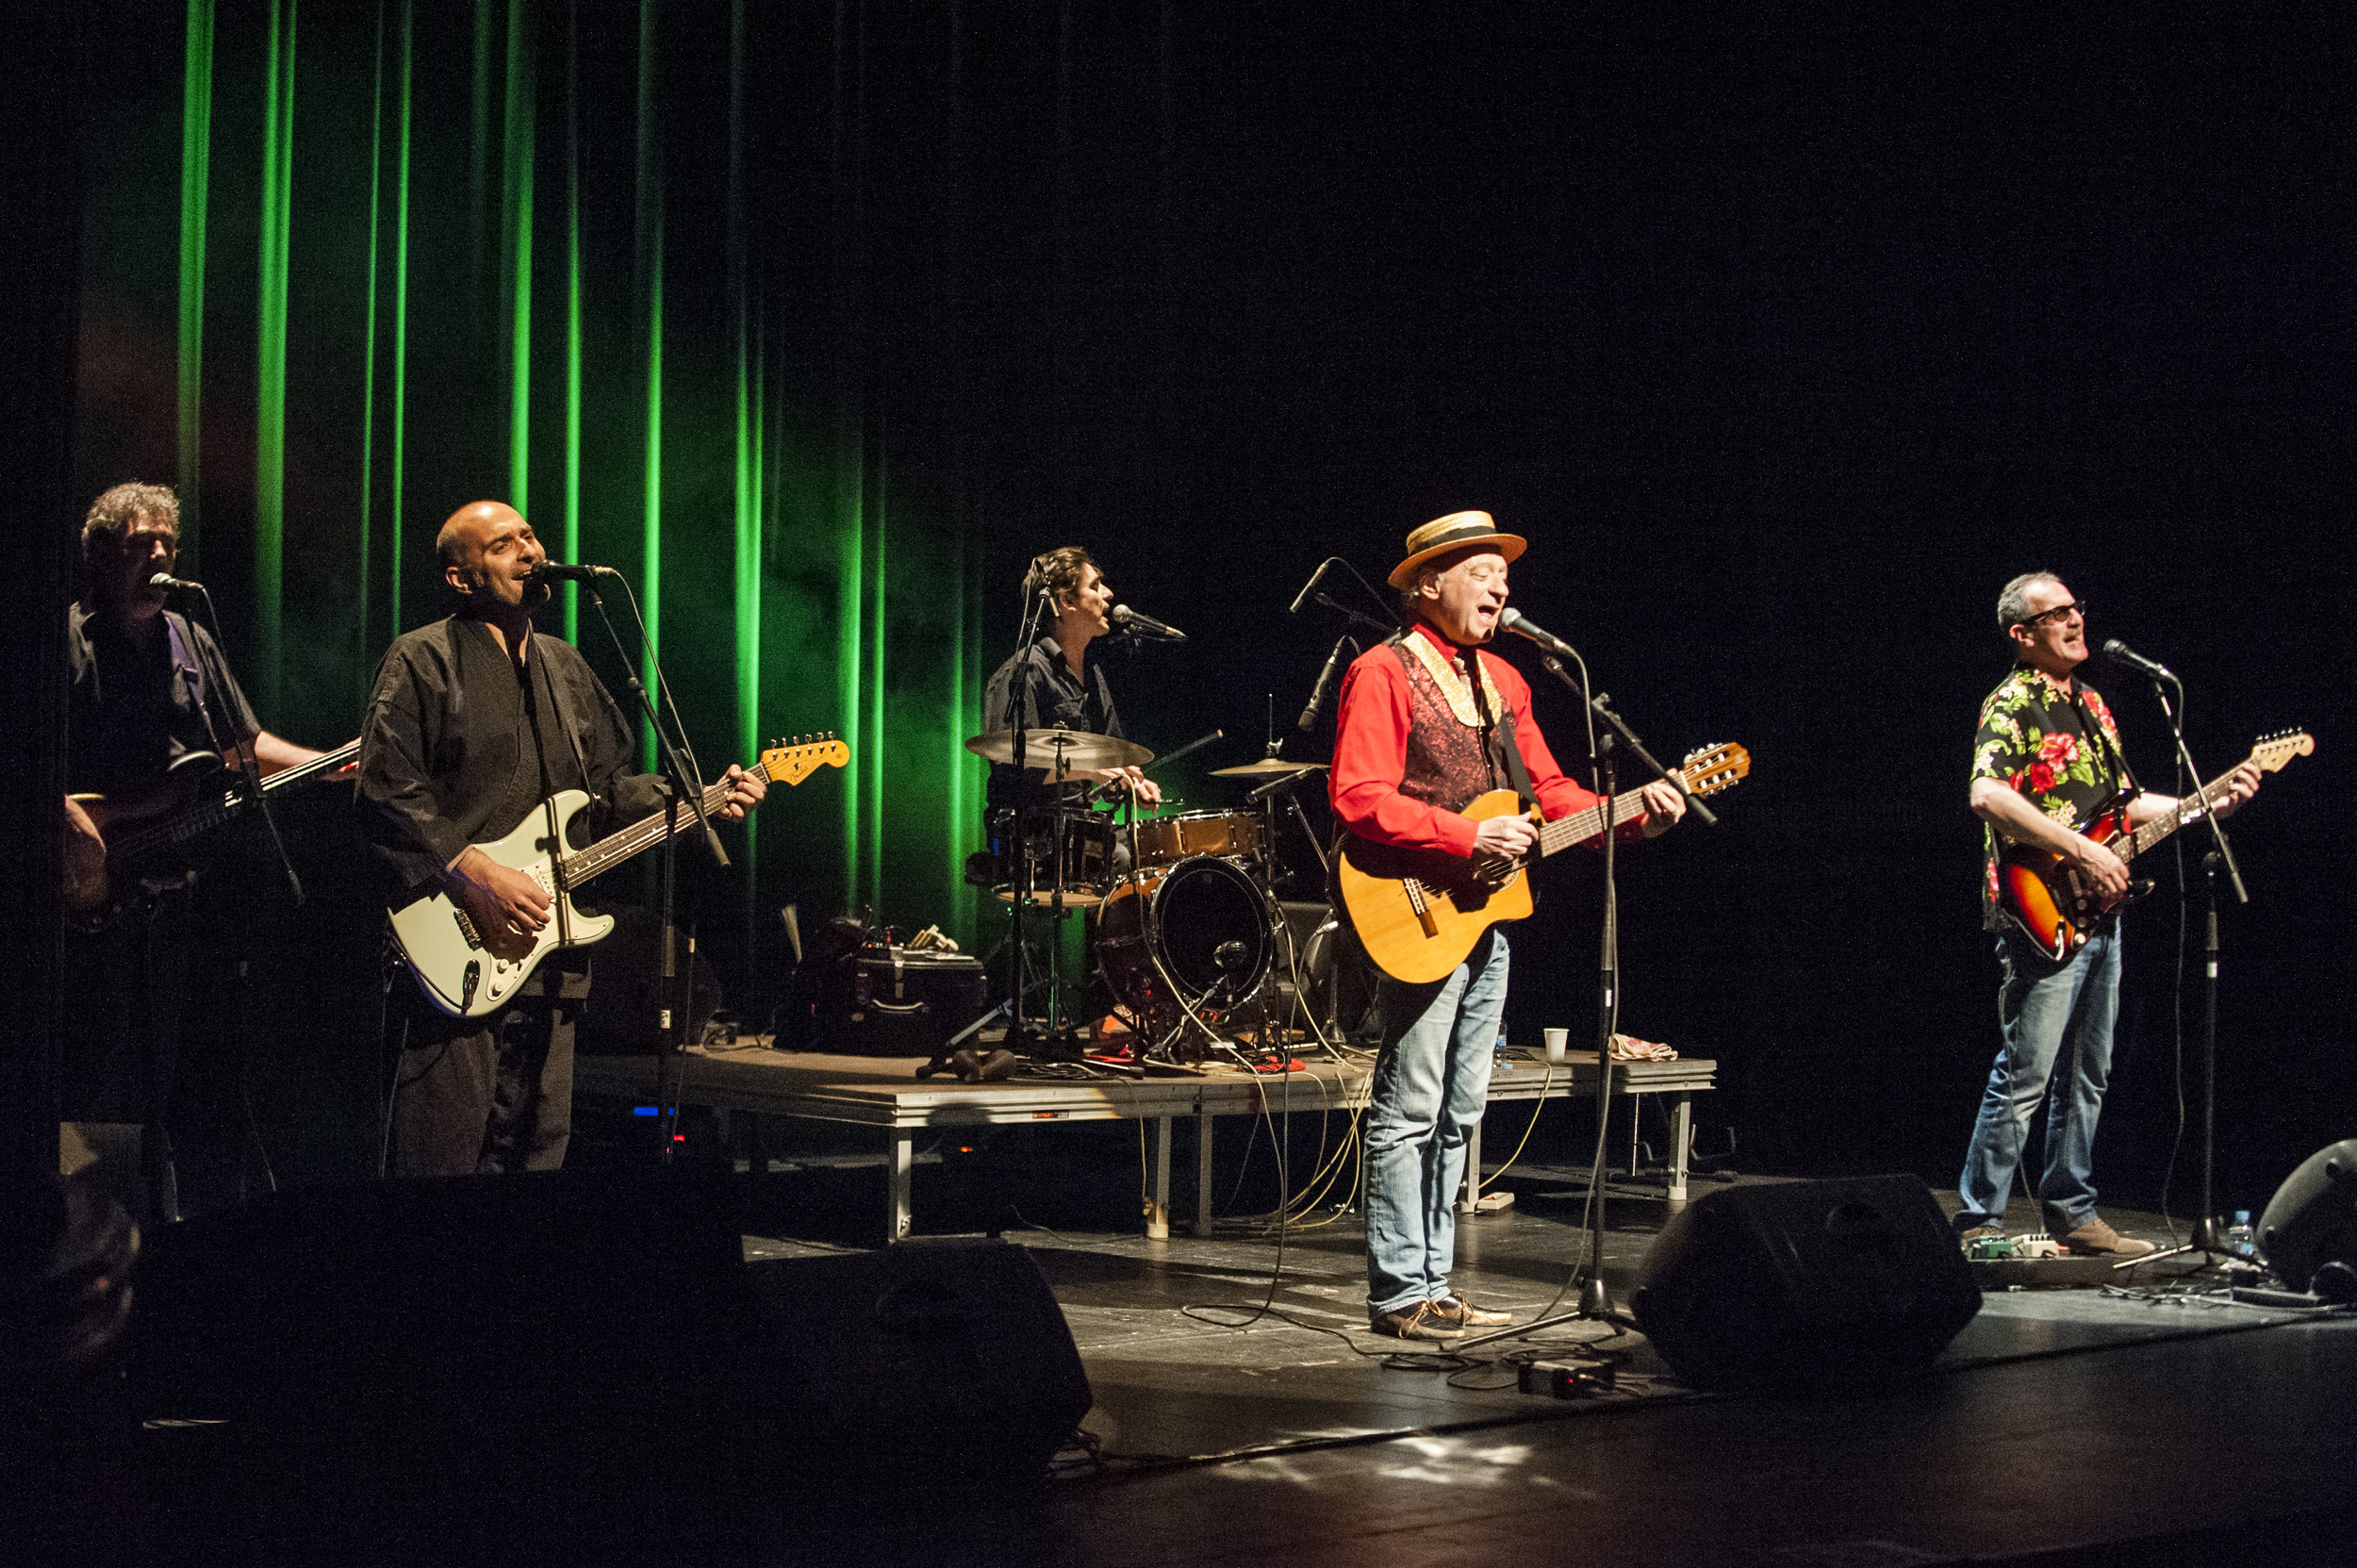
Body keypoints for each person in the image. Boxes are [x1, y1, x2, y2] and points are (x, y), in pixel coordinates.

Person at [1329, 511, 1687, 1341]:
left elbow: (1552, 792)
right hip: (1412, 905)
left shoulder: (1504, 680)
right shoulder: (1383, 671)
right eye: (1481, 570)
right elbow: (1358, 795)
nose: (1502, 585)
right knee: (1409, 1103)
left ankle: (1435, 1282)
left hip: (1484, 919)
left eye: (1503, 572)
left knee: (1461, 1108)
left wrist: (1633, 815)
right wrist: (1466, 834)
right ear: (1428, 582)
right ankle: (1396, 1292)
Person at [356, 501, 766, 1177]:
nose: (528, 549)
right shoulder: (423, 658)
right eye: (502, 544)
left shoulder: (564, 666)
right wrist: (476, 873)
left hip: (552, 961)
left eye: (529, 535)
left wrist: (700, 797)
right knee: (441, 1168)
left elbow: (606, 793)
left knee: (539, 1159)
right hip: (453, 951)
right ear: (462, 578)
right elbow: (383, 787)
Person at [1956, 572, 2259, 1256]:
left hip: (2102, 912)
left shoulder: (2093, 701)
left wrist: (2209, 800)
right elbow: (1985, 795)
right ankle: (1978, 1219)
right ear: (2021, 634)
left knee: (2089, 1070)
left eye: (2076, 608)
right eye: (2055, 613)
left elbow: (2124, 804)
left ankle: (2074, 1210)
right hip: (2040, 908)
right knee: (2027, 1069)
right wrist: (2077, 851)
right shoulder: (2011, 702)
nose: (2074, 620)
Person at [62, 481, 340, 1220]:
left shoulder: (191, 639)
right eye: (140, 544)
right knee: (99, 1080)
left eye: (167, 544)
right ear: (103, 556)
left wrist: (332, 761)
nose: (158, 556)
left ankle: (170, 1228)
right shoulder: (64, 640)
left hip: (180, 900)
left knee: (179, 1081)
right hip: (90, 901)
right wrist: (71, 825)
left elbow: (241, 745)